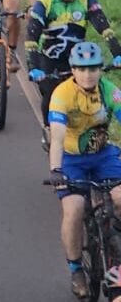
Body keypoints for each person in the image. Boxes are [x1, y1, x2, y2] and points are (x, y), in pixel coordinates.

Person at [47, 42, 121, 299]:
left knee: (120, 198)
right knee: (74, 209)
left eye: (93, 68)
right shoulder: (61, 94)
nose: (87, 74)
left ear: (101, 70)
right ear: (73, 70)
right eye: (81, 68)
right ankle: (76, 268)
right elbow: (56, 137)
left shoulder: (110, 91)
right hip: (71, 159)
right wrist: (56, 170)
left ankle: (116, 248)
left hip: (104, 155)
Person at [26, 0, 121, 150]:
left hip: (77, 60)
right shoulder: (45, 2)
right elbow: (31, 39)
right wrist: (34, 67)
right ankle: (50, 130)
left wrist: (117, 53)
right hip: (49, 60)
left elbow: (105, 29)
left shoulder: (87, 0)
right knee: (51, 98)